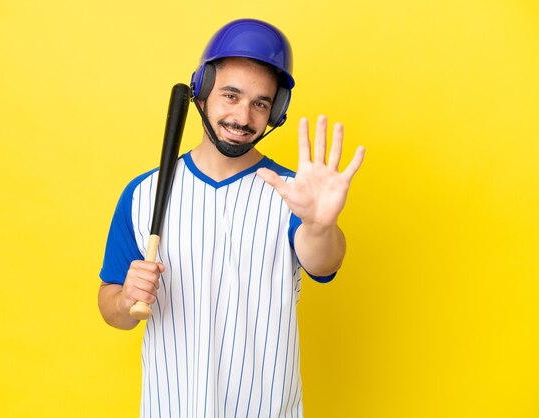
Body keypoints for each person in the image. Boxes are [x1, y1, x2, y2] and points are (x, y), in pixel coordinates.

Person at [98, 18, 365, 417]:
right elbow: (111, 307)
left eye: (260, 103)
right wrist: (125, 299)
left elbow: (325, 261)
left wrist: (320, 225)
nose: (243, 117)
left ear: (275, 111)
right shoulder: (143, 193)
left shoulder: (291, 192)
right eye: (231, 95)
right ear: (202, 93)